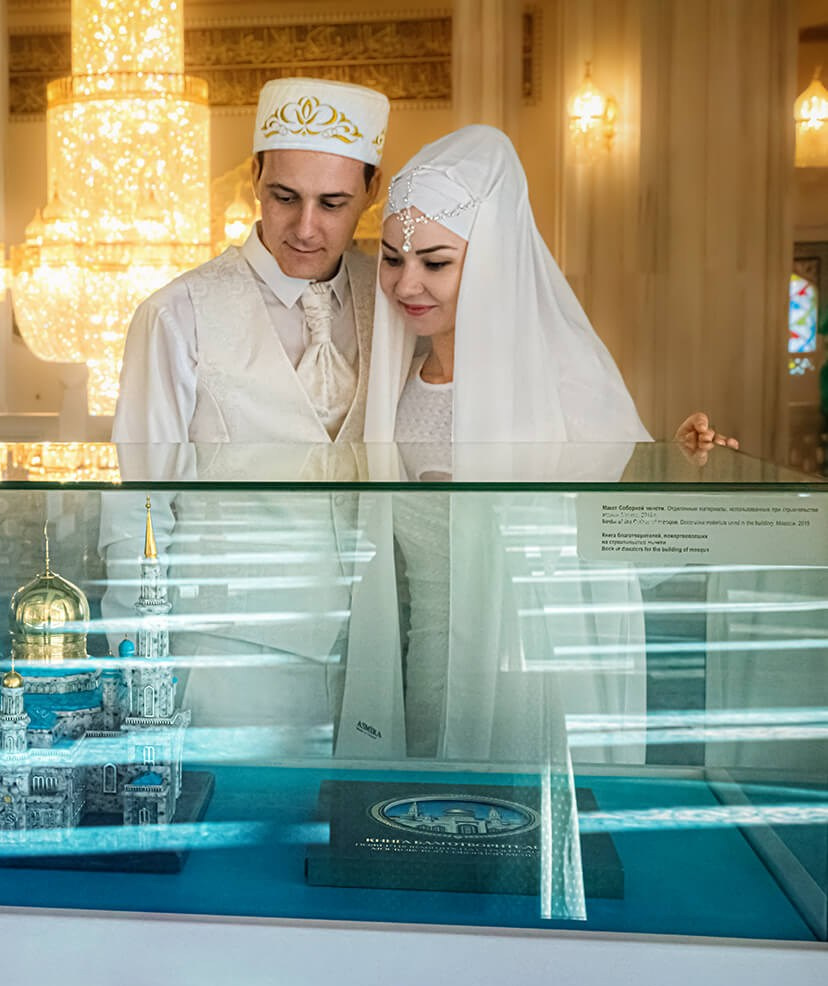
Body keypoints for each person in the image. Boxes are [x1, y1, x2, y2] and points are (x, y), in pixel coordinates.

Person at [336, 125, 733, 767]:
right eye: (392, 259)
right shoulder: (394, 387)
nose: (407, 285)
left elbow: (631, 544)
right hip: (429, 662)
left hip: (535, 673)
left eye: (435, 262)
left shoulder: (563, 381)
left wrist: (682, 467)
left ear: (491, 259)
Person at [111, 77, 389, 444]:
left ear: (372, 190)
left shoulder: (391, 299)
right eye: (285, 198)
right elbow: (146, 479)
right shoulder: (175, 315)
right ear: (255, 177)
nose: (305, 229)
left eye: (332, 204)